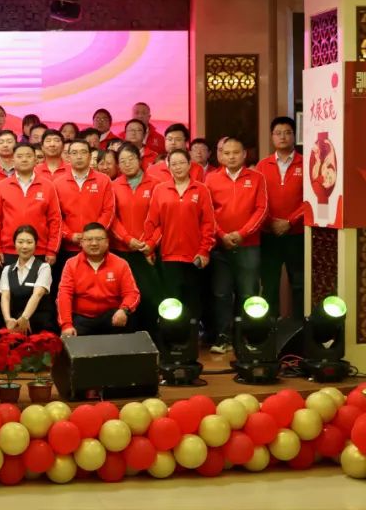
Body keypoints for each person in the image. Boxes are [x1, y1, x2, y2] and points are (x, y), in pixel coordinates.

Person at [142, 149, 216, 336]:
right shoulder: (160, 190)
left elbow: (208, 224)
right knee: (172, 300)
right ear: (168, 167)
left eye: (182, 163)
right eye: (173, 164)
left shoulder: (201, 189)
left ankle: (192, 339)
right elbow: (151, 222)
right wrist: (149, 248)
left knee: (194, 299)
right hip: (168, 255)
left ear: (190, 164)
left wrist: (204, 250)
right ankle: (174, 338)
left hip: (194, 256)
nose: (178, 167)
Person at [205, 137, 268, 353]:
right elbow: (207, 212)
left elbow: (261, 209)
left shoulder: (257, 178)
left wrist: (242, 234)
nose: (231, 157)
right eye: (227, 153)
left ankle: (247, 337)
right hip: (219, 246)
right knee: (220, 293)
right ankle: (224, 337)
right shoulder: (211, 179)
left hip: (248, 245)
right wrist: (222, 234)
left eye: (236, 153)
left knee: (248, 293)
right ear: (221, 155)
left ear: (244, 154)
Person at [110, 142, 162, 333]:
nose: (127, 164)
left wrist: (150, 243)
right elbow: (112, 218)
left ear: (140, 160)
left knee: (149, 296)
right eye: (122, 161)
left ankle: (152, 337)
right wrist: (127, 239)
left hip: (149, 252)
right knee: (124, 296)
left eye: (131, 159)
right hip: (122, 251)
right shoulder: (114, 186)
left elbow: (163, 219)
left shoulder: (156, 184)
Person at [256, 116, 304, 318]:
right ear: (272, 137)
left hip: (297, 234)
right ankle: (271, 327)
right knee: (269, 285)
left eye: (287, 132)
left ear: (294, 135)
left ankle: (300, 326)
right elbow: (258, 200)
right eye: (278, 133)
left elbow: (311, 200)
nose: (282, 137)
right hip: (269, 234)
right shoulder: (262, 165)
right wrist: (270, 222)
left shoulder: (307, 163)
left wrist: (290, 222)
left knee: (300, 283)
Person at [57, 223, 141, 337]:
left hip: (113, 316)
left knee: (129, 321)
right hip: (81, 317)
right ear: (81, 242)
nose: (94, 243)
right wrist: (66, 325)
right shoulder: (71, 264)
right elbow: (64, 295)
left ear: (107, 242)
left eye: (99, 239)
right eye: (89, 239)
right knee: (69, 337)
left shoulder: (121, 264)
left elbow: (132, 293)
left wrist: (124, 310)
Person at [0, 142, 61, 268]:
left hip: (40, 250)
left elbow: (55, 220)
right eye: (19, 156)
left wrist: (52, 250)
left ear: (35, 159)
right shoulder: (2, 186)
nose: (24, 159)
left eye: (28, 156)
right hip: (8, 250)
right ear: (13, 159)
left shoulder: (48, 186)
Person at [53, 139, 115, 278]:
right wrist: (70, 235)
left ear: (90, 156)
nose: (79, 156)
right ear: (68, 157)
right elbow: (56, 216)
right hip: (68, 246)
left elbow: (108, 211)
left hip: (97, 245)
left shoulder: (104, 180)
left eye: (83, 152)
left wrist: (93, 236)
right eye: (74, 153)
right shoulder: (58, 183)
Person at [0, 225, 57, 334]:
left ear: (36, 244)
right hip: (15, 322)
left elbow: (37, 294)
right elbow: (5, 297)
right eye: (20, 242)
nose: (24, 246)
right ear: (14, 244)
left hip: (41, 322)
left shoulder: (44, 267)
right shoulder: (7, 269)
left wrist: (25, 318)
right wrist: (8, 320)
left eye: (29, 242)